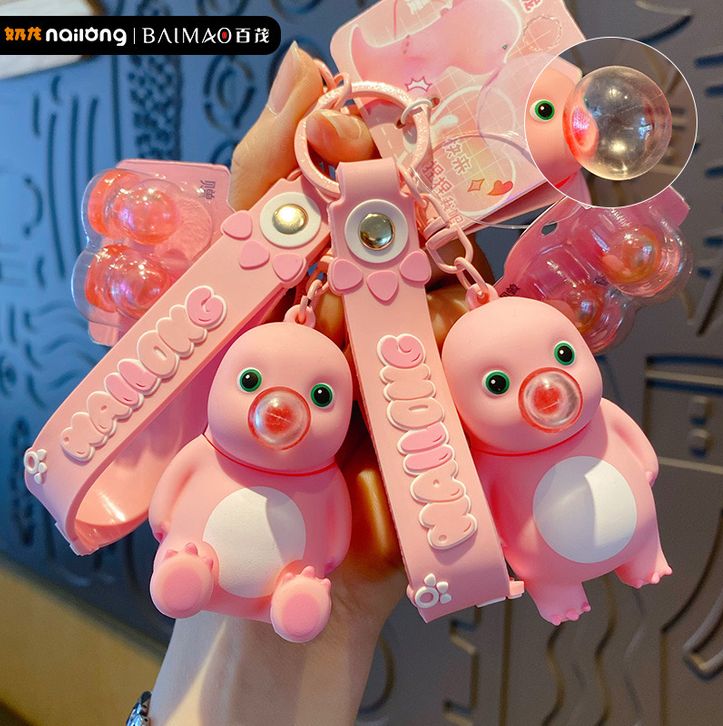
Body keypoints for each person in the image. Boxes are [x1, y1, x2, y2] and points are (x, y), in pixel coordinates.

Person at [143, 42, 492, 726]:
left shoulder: (319, 478)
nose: (280, 410)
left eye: (322, 397)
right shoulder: (213, 449)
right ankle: (200, 569)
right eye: (248, 380)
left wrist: (335, 582)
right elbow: (171, 498)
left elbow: (329, 532)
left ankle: (287, 591)